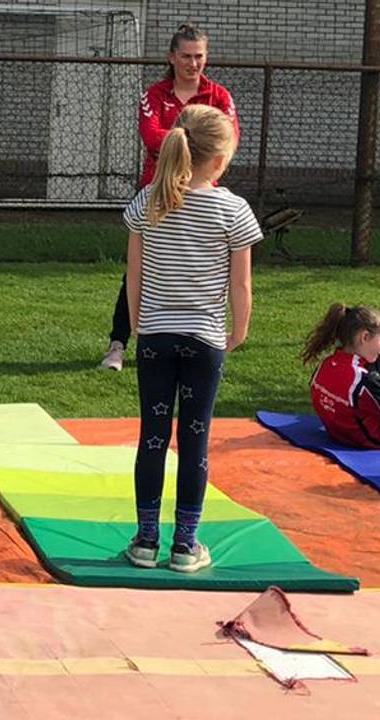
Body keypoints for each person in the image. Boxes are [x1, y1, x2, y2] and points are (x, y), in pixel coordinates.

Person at [122, 104, 261, 574]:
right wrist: (238, 329)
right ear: (220, 160)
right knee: (195, 441)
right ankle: (185, 545)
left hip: (156, 338)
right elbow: (240, 285)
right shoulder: (233, 209)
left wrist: (140, 322)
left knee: (153, 438)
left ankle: (145, 541)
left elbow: (134, 271)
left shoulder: (149, 201)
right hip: (204, 341)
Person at [100, 22, 239, 372]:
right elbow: (152, 137)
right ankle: (119, 342)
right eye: (187, 56)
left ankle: (203, 340)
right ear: (172, 57)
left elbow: (229, 140)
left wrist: (194, 164)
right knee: (140, 266)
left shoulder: (219, 96)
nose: (194, 64)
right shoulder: (155, 94)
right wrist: (198, 150)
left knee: (201, 269)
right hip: (159, 195)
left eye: (200, 57)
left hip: (204, 197)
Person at [300, 304, 380, 448]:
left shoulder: (325, 366)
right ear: (365, 337)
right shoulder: (362, 382)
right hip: (366, 440)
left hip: (339, 432)